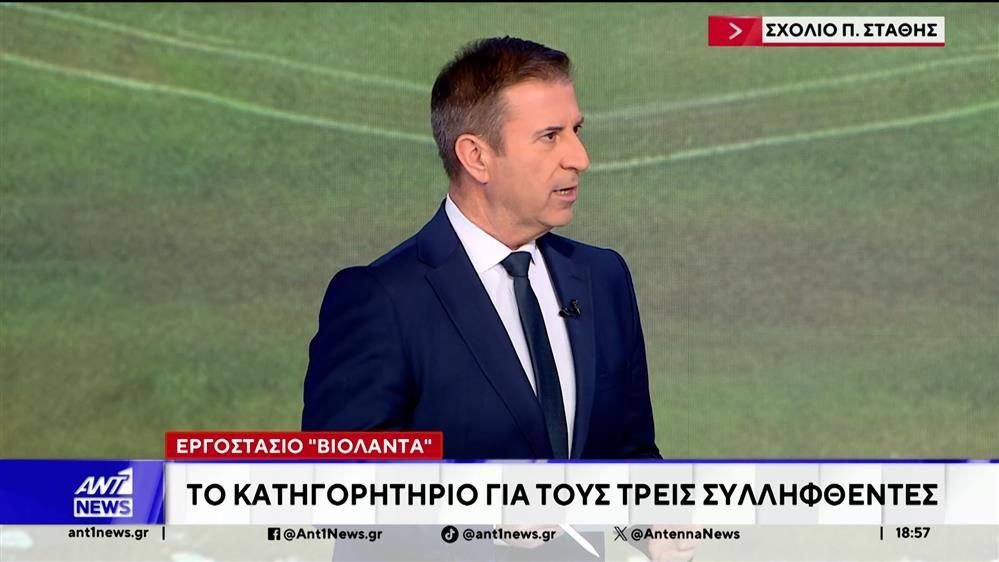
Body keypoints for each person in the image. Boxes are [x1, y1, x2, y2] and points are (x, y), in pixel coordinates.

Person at [303, 36, 691, 561]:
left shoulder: (603, 278)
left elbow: (631, 455)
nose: (579, 158)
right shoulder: (381, 299)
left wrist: (661, 522)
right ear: (477, 157)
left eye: (576, 131)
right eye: (550, 137)